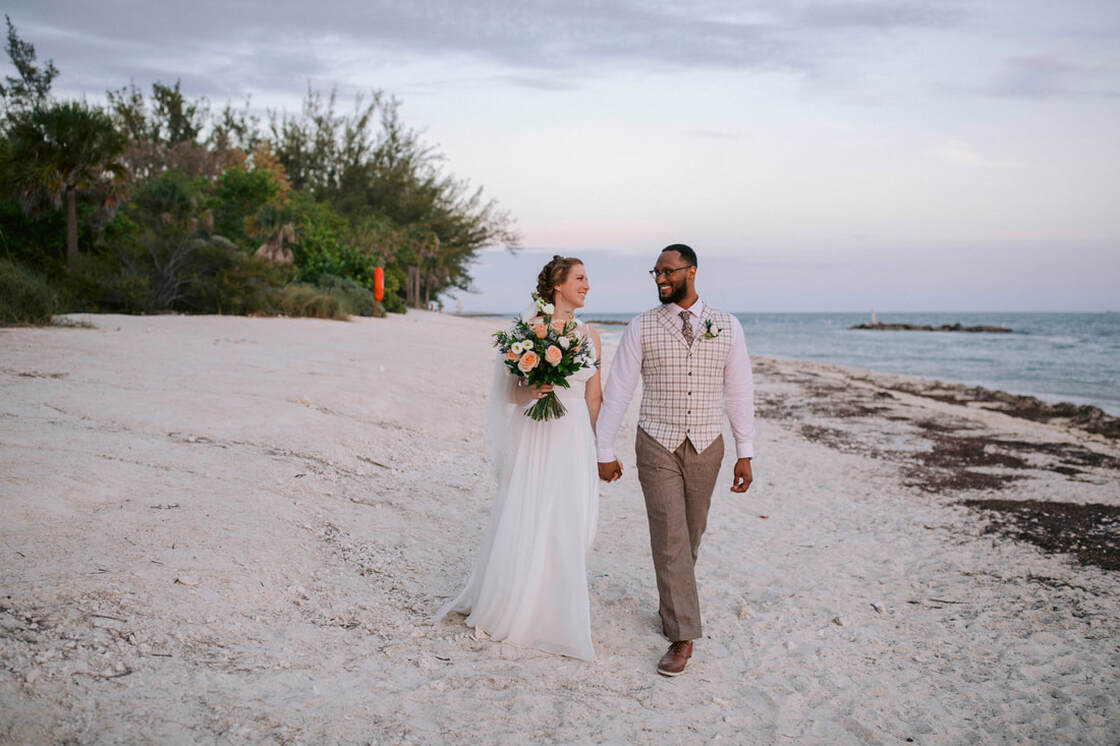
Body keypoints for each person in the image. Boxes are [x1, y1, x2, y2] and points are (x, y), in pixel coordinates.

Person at [596, 244, 755, 676]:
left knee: (689, 535)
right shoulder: (642, 326)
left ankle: (673, 606)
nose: (661, 278)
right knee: (670, 537)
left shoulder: (727, 325)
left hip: (708, 444)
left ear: (692, 271)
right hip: (657, 443)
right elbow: (620, 390)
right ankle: (682, 636)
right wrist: (603, 449)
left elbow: (739, 391)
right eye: (656, 272)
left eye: (668, 271)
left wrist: (746, 451)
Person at [436, 256, 603, 660]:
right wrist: (533, 392)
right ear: (558, 285)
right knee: (531, 509)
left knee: (571, 515)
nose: (587, 285)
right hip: (536, 430)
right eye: (580, 278)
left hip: (574, 434)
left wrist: (592, 440)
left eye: (586, 279)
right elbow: (508, 393)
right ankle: (520, 603)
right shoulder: (529, 331)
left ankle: (555, 597)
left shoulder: (589, 334)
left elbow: (594, 394)